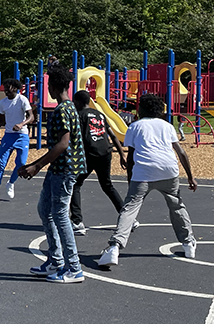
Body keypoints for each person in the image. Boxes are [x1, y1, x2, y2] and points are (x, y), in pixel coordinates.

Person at [97, 93, 198, 267]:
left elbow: (131, 158)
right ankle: (188, 244)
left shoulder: (135, 126)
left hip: (144, 172)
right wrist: (190, 176)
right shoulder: (167, 126)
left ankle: (114, 247)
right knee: (176, 205)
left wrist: (131, 180)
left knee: (129, 209)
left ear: (140, 109)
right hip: (169, 171)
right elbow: (181, 152)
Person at [19, 57, 87, 283]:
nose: (47, 88)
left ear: (55, 87)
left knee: (59, 214)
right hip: (60, 167)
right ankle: (55, 260)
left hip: (65, 169)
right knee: (44, 208)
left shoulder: (62, 111)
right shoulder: (69, 108)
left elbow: (64, 143)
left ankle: (74, 267)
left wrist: (37, 165)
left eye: (49, 85)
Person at [69, 90, 129, 234]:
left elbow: (77, 138)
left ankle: (77, 222)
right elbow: (113, 136)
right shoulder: (100, 115)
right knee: (107, 185)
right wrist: (122, 155)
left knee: (75, 184)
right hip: (105, 152)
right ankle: (128, 218)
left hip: (90, 153)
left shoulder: (79, 116)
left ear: (76, 102)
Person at [0, 78, 33, 204]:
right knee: (1, 164)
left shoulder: (22, 100)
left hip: (22, 136)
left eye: (7, 89)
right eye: (5, 89)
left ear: (15, 88)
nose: (6, 92)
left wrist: (21, 124)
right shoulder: (3, 103)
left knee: (21, 163)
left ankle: (11, 182)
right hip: (8, 135)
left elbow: (31, 116)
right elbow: (2, 120)